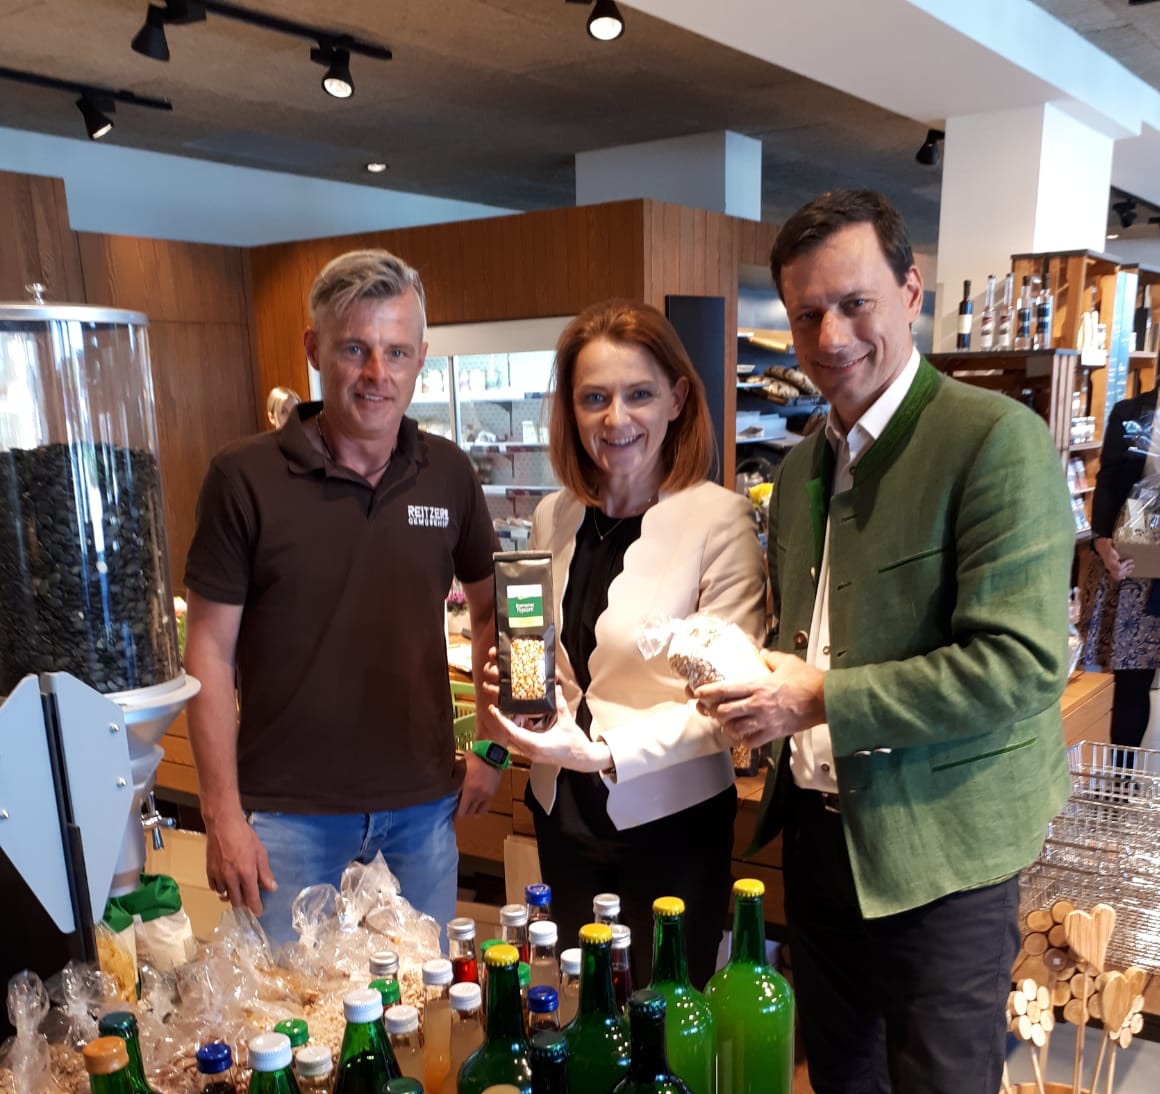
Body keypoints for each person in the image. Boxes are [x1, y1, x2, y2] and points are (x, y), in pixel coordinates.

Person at [695, 190, 1074, 1094]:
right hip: (821, 847)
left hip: (944, 859)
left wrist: (818, 698)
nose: (831, 336)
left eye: (855, 303)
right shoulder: (800, 468)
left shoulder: (993, 440)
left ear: (912, 291)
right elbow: (806, 635)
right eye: (807, 314)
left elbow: (1021, 663)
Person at [184, 249, 502, 947]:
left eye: (397, 351)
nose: (377, 373)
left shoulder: (448, 472)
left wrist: (493, 744)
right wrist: (221, 814)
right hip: (286, 818)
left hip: (422, 812)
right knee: (286, 1007)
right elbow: (206, 649)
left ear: (421, 359)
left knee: (422, 997)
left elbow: (496, 614)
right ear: (314, 350)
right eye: (354, 348)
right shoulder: (244, 478)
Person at [488, 299, 765, 984]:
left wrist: (605, 752)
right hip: (563, 812)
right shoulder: (554, 515)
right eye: (595, 398)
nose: (616, 419)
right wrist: (522, 687)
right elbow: (554, 660)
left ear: (677, 399)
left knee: (663, 1017)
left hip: (673, 824)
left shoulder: (719, 521)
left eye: (639, 394)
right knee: (580, 1003)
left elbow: (729, 704)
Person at [1079, 307, 1160, 757]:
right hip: (1135, 563)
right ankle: (1121, 786)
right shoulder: (1132, 413)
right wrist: (1101, 540)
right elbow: (1110, 479)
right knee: (1130, 686)